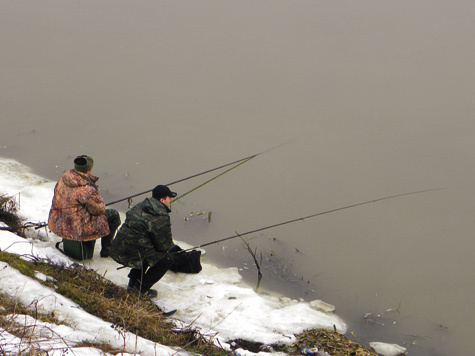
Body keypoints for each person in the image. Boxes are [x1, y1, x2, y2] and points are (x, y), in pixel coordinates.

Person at [110, 185, 202, 298]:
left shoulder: (140, 206)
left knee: (143, 250)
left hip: (119, 247)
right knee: (167, 259)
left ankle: (132, 284)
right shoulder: (161, 216)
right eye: (169, 198)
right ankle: (141, 290)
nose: (171, 200)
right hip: (133, 252)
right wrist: (167, 250)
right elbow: (165, 246)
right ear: (162, 200)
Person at [48, 155, 121, 258]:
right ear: (89, 169)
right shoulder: (87, 189)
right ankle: (106, 251)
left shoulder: (64, 178)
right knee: (113, 216)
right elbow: (98, 210)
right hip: (76, 228)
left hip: (59, 222)